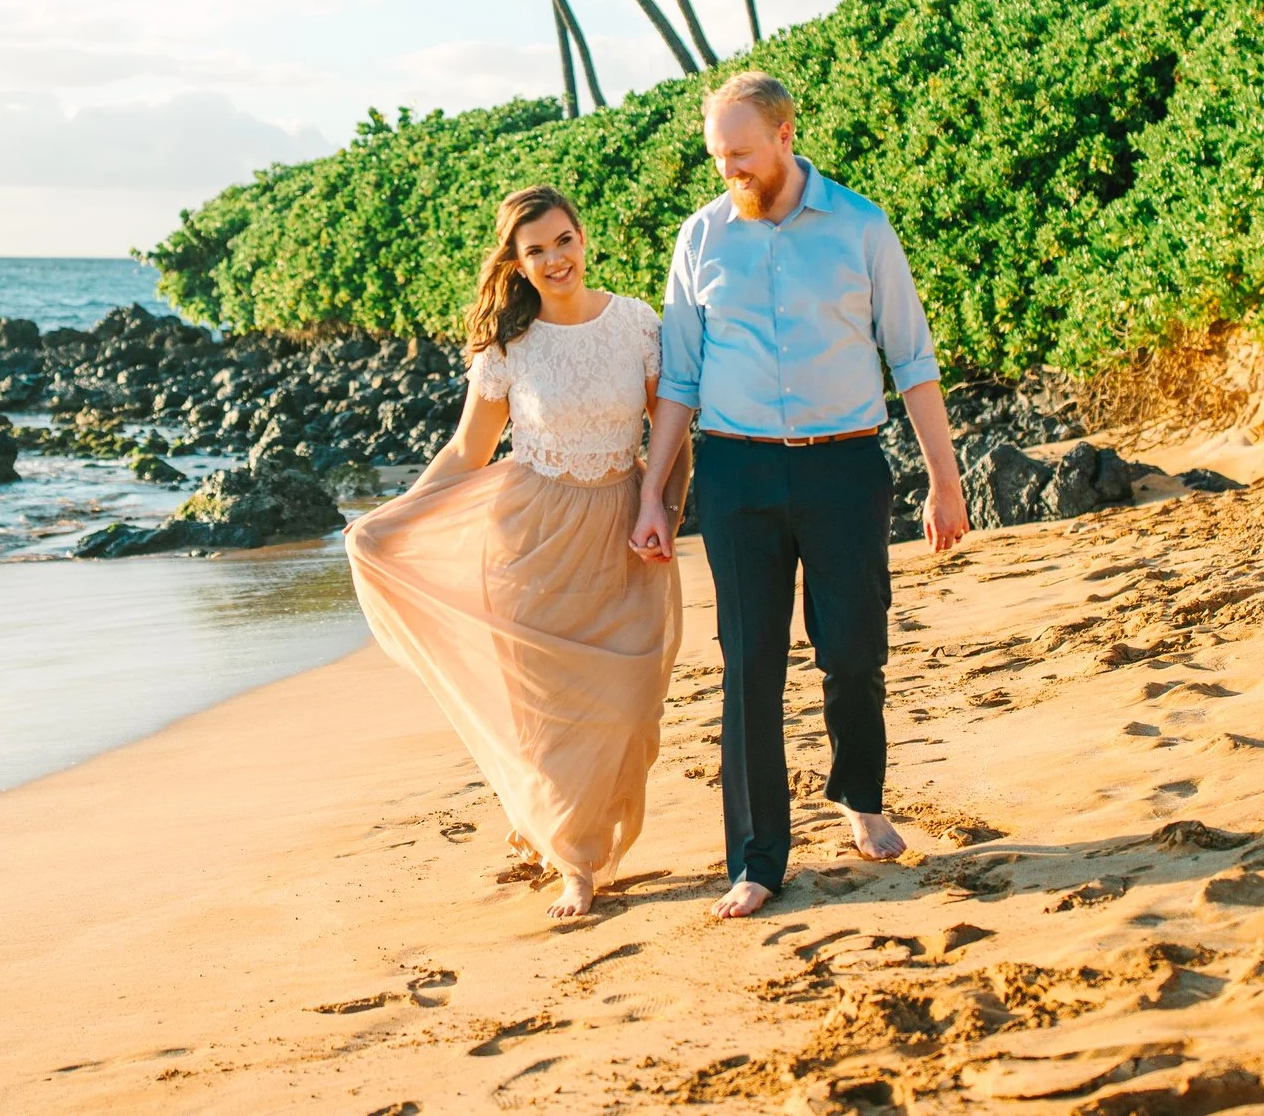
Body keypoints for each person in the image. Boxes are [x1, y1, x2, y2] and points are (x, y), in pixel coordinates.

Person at [630, 71, 968, 920]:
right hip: (736, 470)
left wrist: (945, 478)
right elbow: (679, 378)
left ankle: (859, 793)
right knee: (748, 666)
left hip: (844, 467)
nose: (728, 171)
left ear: (785, 136)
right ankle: (757, 857)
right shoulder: (701, 237)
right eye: (717, 157)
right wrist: (650, 496)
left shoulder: (860, 226)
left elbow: (913, 359)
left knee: (852, 652)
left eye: (740, 153)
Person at [345, 184, 683, 921]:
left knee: (627, 707)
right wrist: (395, 517)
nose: (556, 258)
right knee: (548, 713)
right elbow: (469, 450)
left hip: (622, 534)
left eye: (564, 239)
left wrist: (660, 503)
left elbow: (670, 424)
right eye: (537, 250)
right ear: (518, 262)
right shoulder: (508, 348)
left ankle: (564, 830)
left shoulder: (636, 323)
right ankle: (577, 862)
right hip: (529, 541)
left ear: (582, 236)